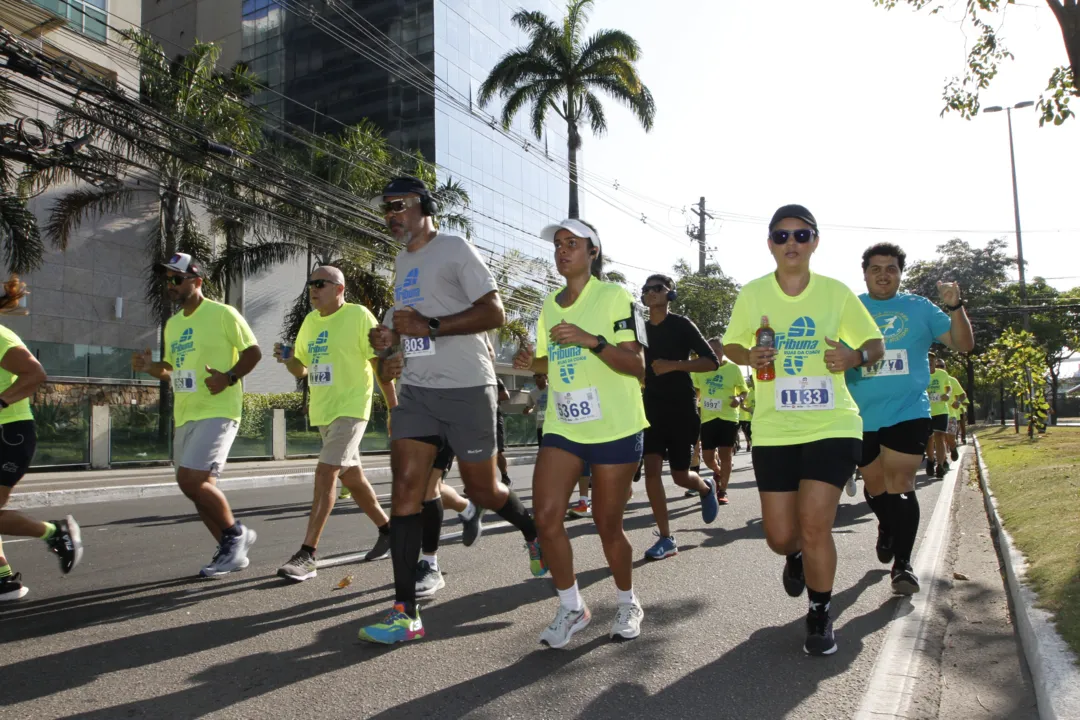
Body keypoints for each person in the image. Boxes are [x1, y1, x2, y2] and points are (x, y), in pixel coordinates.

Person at [357, 177, 545, 645]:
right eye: (386, 209)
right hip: (418, 390)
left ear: (423, 205)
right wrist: (389, 339)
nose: (390, 216)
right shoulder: (401, 261)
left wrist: (431, 325)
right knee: (405, 489)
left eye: (397, 205)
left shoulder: (455, 247)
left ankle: (532, 529)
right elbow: (406, 328)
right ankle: (406, 612)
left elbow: (495, 312)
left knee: (484, 487)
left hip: (467, 387)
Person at [723, 204, 884, 656]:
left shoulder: (836, 294)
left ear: (815, 241)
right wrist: (748, 355)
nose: (791, 243)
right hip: (774, 427)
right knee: (780, 536)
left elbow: (875, 343)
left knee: (816, 525)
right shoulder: (754, 294)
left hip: (833, 422)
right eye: (781, 236)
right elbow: (732, 342)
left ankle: (820, 610)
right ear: (770, 243)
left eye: (800, 235)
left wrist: (855, 358)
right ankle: (795, 557)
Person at [515, 218, 648, 648]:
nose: (562, 250)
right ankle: (572, 606)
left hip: (615, 425)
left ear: (593, 252)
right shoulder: (549, 305)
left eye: (572, 243)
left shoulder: (614, 297)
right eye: (557, 244)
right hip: (564, 424)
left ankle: (627, 600)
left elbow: (637, 367)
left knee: (607, 524)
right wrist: (528, 364)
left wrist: (593, 342)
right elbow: (550, 363)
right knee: (546, 517)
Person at [846, 244, 973, 596]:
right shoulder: (849, 309)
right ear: (865, 273)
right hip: (859, 414)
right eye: (876, 268)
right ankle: (887, 526)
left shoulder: (919, 308)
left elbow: (963, 343)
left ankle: (903, 565)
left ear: (900, 273)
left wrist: (955, 306)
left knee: (901, 481)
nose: (883, 274)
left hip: (909, 409)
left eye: (891, 268)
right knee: (875, 486)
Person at [133, 253, 261, 577]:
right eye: (168, 280)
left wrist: (229, 377)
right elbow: (173, 370)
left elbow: (253, 352)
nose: (170, 285)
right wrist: (150, 368)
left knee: (189, 479)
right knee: (196, 489)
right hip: (185, 413)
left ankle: (236, 534)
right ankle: (231, 552)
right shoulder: (174, 326)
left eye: (177, 279)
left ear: (197, 281)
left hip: (219, 409)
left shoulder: (222, 314)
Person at [272, 266, 397, 582]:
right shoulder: (310, 322)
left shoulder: (358, 316)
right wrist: (288, 357)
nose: (313, 289)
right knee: (352, 477)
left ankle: (307, 554)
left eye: (320, 284)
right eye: (310, 284)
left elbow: (377, 363)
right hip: (324, 411)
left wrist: (396, 409)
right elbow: (300, 369)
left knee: (326, 471)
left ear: (339, 288)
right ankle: (388, 529)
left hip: (351, 408)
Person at [0, 276, 82, 602]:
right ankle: (4, 580)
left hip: (11, 434)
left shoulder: (1, 337)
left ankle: (55, 533)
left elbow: (35, 373)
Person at [639, 274, 721, 561]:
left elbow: (712, 362)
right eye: (647, 289)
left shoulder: (682, 324)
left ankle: (704, 485)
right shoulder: (638, 328)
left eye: (657, 288)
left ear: (669, 294)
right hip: (650, 408)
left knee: (679, 475)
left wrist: (673, 365)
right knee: (651, 472)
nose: (651, 292)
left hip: (681, 408)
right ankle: (666, 537)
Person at [414, 442, 483, 599]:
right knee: (424, 488)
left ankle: (430, 564)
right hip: (410, 427)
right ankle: (468, 509)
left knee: (427, 488)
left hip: (440, 428)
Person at [694, 338, 748, 505]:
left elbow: (744, 391)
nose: (712, 354)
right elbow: (695, 392)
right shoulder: (699, 370)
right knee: (708, 457)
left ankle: (722, 490)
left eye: (716, 350)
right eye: (709, 351)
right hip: (708, 418)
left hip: (728, 417)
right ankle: (717, 471)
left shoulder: (733, 369)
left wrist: (738, 398)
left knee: (726, 456)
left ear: (722, 352)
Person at [926, 353, 954, 479]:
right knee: (929, 439)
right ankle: (931, 460)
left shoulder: (942, 374)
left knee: (939, 437)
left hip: (941, 410)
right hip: (926, 411)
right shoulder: (921, 374)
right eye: (928, 360)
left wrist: (947, 394)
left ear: (935, 361)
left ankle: (940, 465)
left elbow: (948, 388)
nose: (930, 362)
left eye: (932, 360)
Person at [739, 376, 755, 454]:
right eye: (752, 380)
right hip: (750, 420)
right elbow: (742, 405)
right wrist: (749, 409)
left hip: (763, 420)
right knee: (751, 438)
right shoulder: (749, 392)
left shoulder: (765, 391)